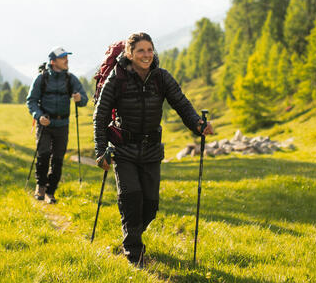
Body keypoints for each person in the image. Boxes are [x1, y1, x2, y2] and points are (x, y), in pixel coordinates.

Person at [93, 32, 213, 266]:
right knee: (131, 197)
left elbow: (181, 103)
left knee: (150, 205)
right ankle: (133, 252)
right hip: (124, 148)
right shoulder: (116, 79)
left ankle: (132, 234)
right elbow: (100, 115)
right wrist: (100, 150)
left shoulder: (161, 78)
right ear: (130, 53)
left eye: (150, 50)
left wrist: (197, 124)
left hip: (151, 149)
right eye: (140, 51)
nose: (147, 55)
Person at [27, 46, 89, 204]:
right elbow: (31, 101)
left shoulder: (70, 79)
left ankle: (50, 191)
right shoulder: (41, 79)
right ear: (53, 61)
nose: (66, 60)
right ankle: (40, 187)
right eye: (63, 58)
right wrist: (38, 116)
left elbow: (84, 99)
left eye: (66, 57)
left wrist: (79, 98)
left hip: (63, 124)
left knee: (58, 159)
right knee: (44, 155)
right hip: (45, 124)